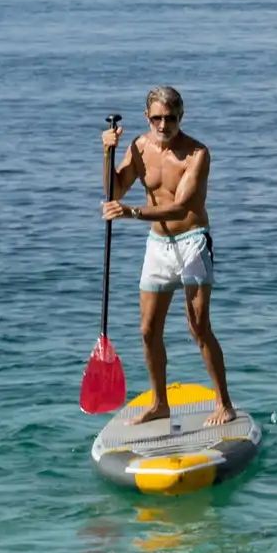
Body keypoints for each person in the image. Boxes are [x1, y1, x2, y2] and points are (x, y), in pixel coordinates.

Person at [101, 85, 238, 425]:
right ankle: (160, 403)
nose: (164, 125)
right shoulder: (139, 147)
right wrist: (107, 153)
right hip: (158, 245)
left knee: (198, 327)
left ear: (181, 116)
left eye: (171, 118)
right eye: (157, 118)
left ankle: (224, 403)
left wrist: (131, 213)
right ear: (147, 117)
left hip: (192, 242)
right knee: (148, 330)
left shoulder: (197, 154)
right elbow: (114, 190)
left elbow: (181, 207)